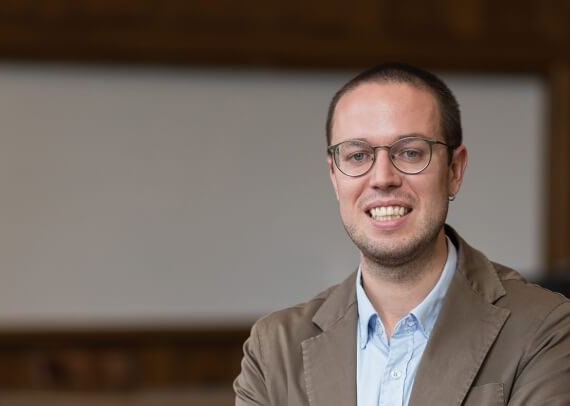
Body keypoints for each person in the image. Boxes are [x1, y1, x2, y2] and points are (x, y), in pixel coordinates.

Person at [234, 62, 570, 405]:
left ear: (454, 170)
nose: (382, 177)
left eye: (410, 152)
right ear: (335, 177)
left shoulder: (545, 328)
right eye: (357, 155)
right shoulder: (273, 349)